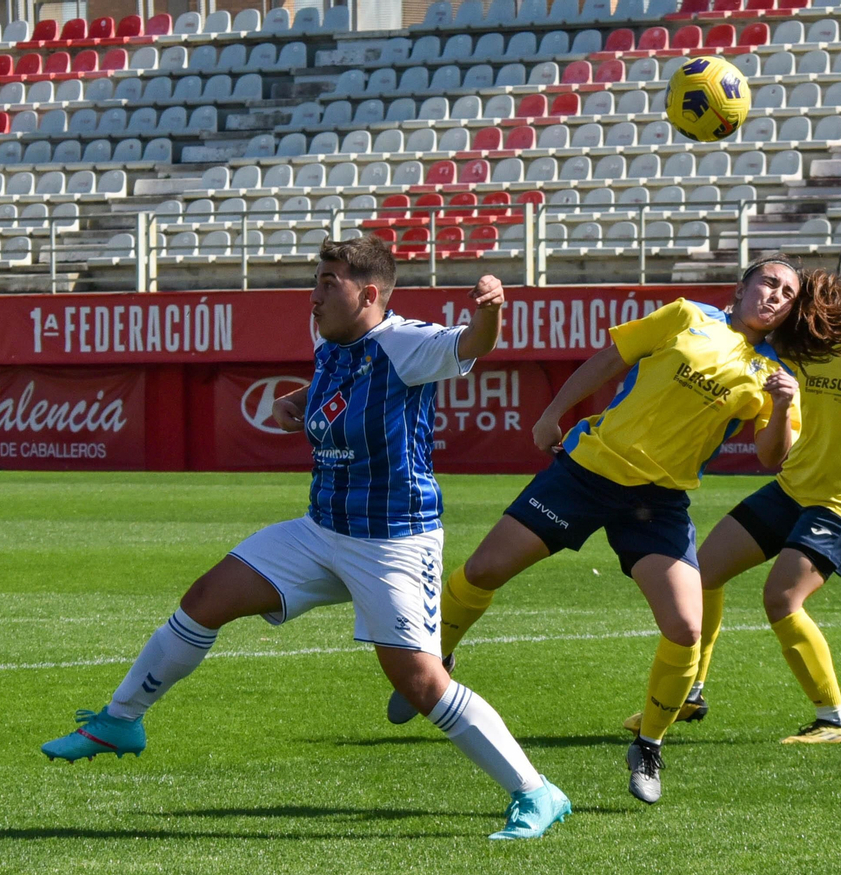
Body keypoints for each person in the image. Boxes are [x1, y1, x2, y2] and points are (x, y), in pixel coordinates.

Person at [40, 237, 571, 841]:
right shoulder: (328, 338)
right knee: (205, 599)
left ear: (369, 294)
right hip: (321, 530)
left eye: (328, 283)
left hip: (392, 542)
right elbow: (337, 381)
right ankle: (119, 720)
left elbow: (471, 345)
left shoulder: (407, 344)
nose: (313, 295)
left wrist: (491, 310)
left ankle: (537, 793)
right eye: (315, 280)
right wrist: (304, 399)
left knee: (419, 681)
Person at [388, 254, 804, 804]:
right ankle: (437, 655)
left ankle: (650, 745)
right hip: (586, 473)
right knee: (485, 568)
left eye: (788, 293)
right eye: (768, 283)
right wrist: (552, 413)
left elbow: (774, 456)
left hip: (657, 502)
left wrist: (781, 407)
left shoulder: (774, 373)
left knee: (685, 627)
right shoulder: (685, 315)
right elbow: (611, 357)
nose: (775, 295)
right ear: (743, 285)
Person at [624, 237, 841, 745]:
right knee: (704, 572)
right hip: (790, 488)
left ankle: (834, 720)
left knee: (781, 599)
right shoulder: (810, 333)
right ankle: (691, 692)